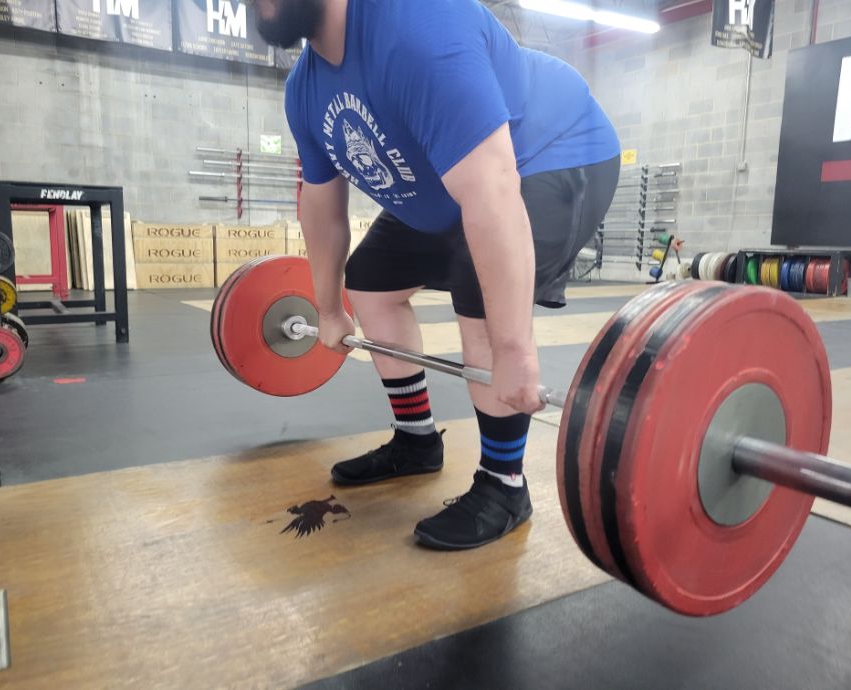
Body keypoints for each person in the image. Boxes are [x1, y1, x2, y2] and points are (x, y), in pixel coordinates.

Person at [257, 0, 620, 550]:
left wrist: (515, 354)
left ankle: (504, 484)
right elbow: (321, 208)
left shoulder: (419, 24)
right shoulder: (304, 91)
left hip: (548, 152)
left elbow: (493, 188)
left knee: (481, 296)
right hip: (449, 180)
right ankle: (416, 442)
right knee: (371, 283)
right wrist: (329, 308)